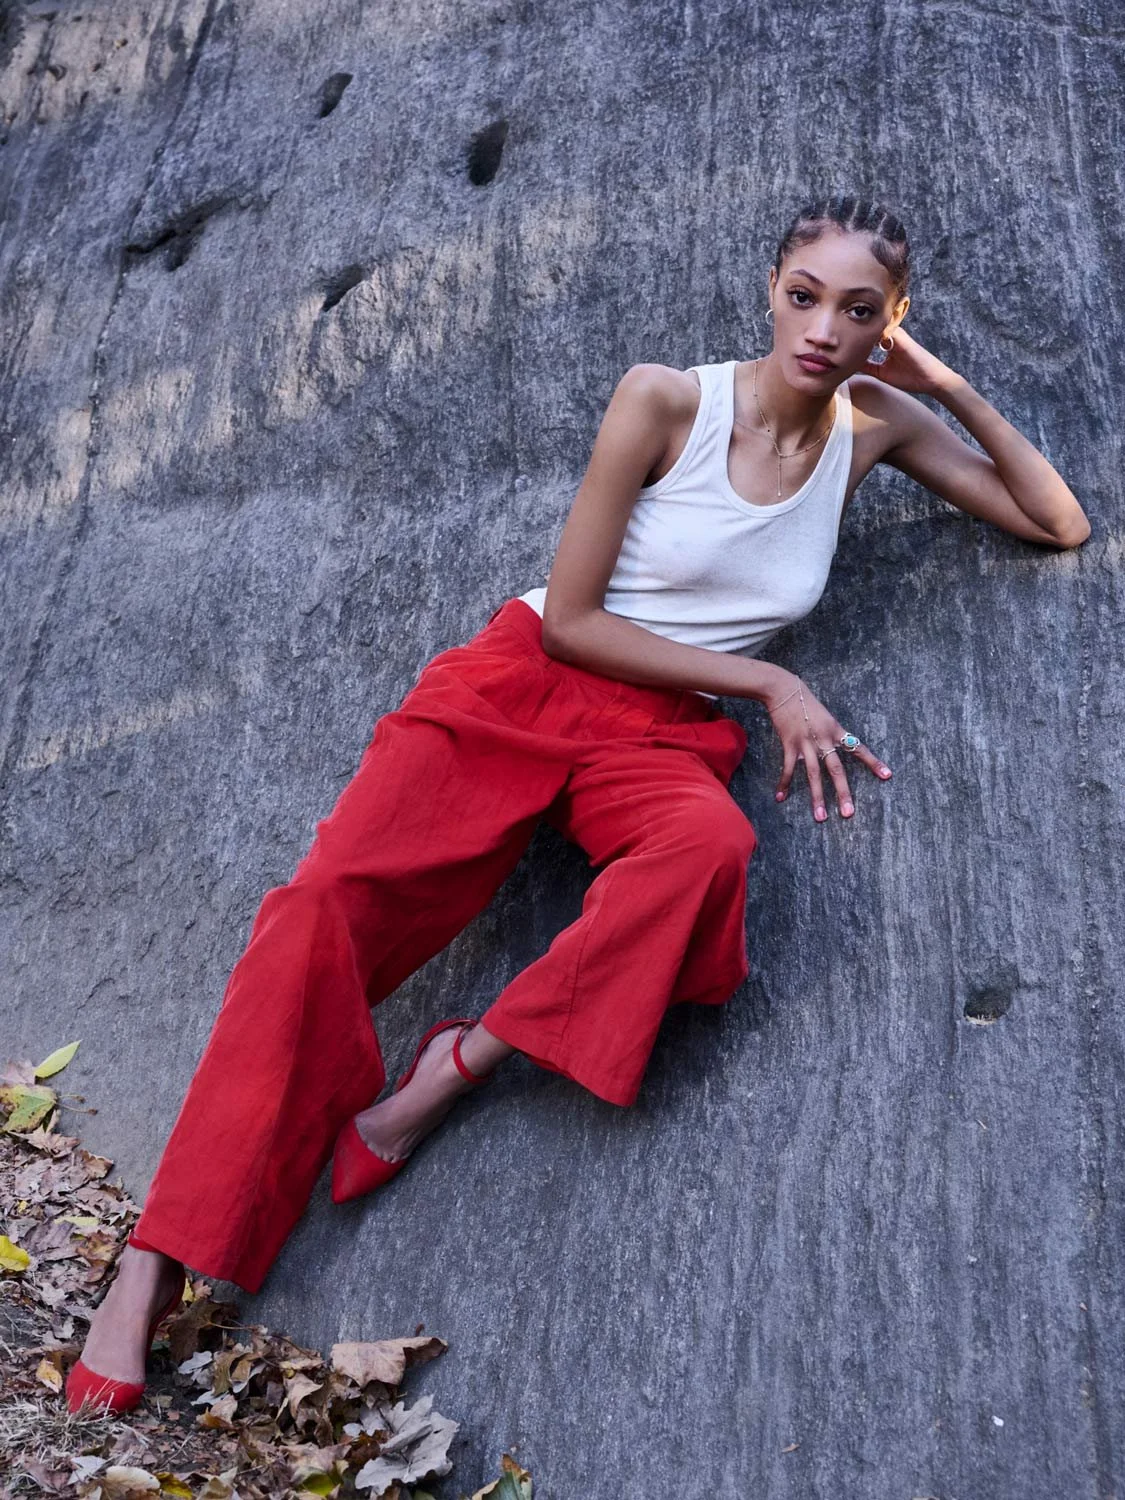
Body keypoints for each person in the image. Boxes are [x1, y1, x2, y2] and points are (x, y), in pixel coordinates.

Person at [67, 194, 1090, 1413]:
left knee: (707, 849)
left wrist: (944, 384)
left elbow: (1057, 521)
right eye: (805, 296)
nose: (824, 328)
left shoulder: (879, 424)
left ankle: (455, 1064)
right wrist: (768, 676)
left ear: (890, 322)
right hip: (532, 680)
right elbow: (572, 615)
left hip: (655, 736)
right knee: (319, 910)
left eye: (859, 311)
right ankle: (152, 1267)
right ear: (771, 289)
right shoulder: (667, 398)